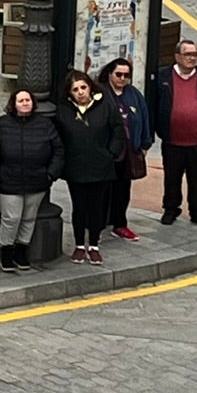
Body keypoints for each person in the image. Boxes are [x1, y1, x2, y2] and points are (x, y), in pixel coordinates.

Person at [59, 70, 126, 264]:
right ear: (70, 93)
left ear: (90, 87)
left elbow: (118, 130)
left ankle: (94, 245)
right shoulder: (63, 110)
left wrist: (111, 153)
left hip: (101, 166)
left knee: (97, 208)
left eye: (83, 87)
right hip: (76, 167)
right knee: (79, 208)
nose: (80, 92)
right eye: (75, 90)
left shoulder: (105, 105)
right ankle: (80, 245)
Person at [0, 87, 59, 273]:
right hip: (8, 180)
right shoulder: (2, 123)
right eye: (20, 101)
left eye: (27, 100)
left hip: (37, 180)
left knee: (29, 218)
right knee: (11, 218)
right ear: (13, 104)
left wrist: (50, 174)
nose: (25, 103)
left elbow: (58, 150)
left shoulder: (45, 124)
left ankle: (21, 251)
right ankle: (6, 252)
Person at [155, 40, 197, 227]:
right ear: (177, 56)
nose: (191, 58)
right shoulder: (163, 77)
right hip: (172, 140)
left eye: (194, 55)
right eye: (187, 54)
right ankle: (171, 208)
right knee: (172, 177)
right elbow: (156, 103)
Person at [100, 57, 153, 242]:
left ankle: (119, 224)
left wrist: (145, 143)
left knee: (123, 190)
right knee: (103, 190)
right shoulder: (101, 94)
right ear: (109, 74)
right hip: (106, 153)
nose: (122, 78)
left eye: (126, 75)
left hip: (128, 152)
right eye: (119, 74)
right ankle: (97, 224)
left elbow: (144, 117)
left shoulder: (134, 94)